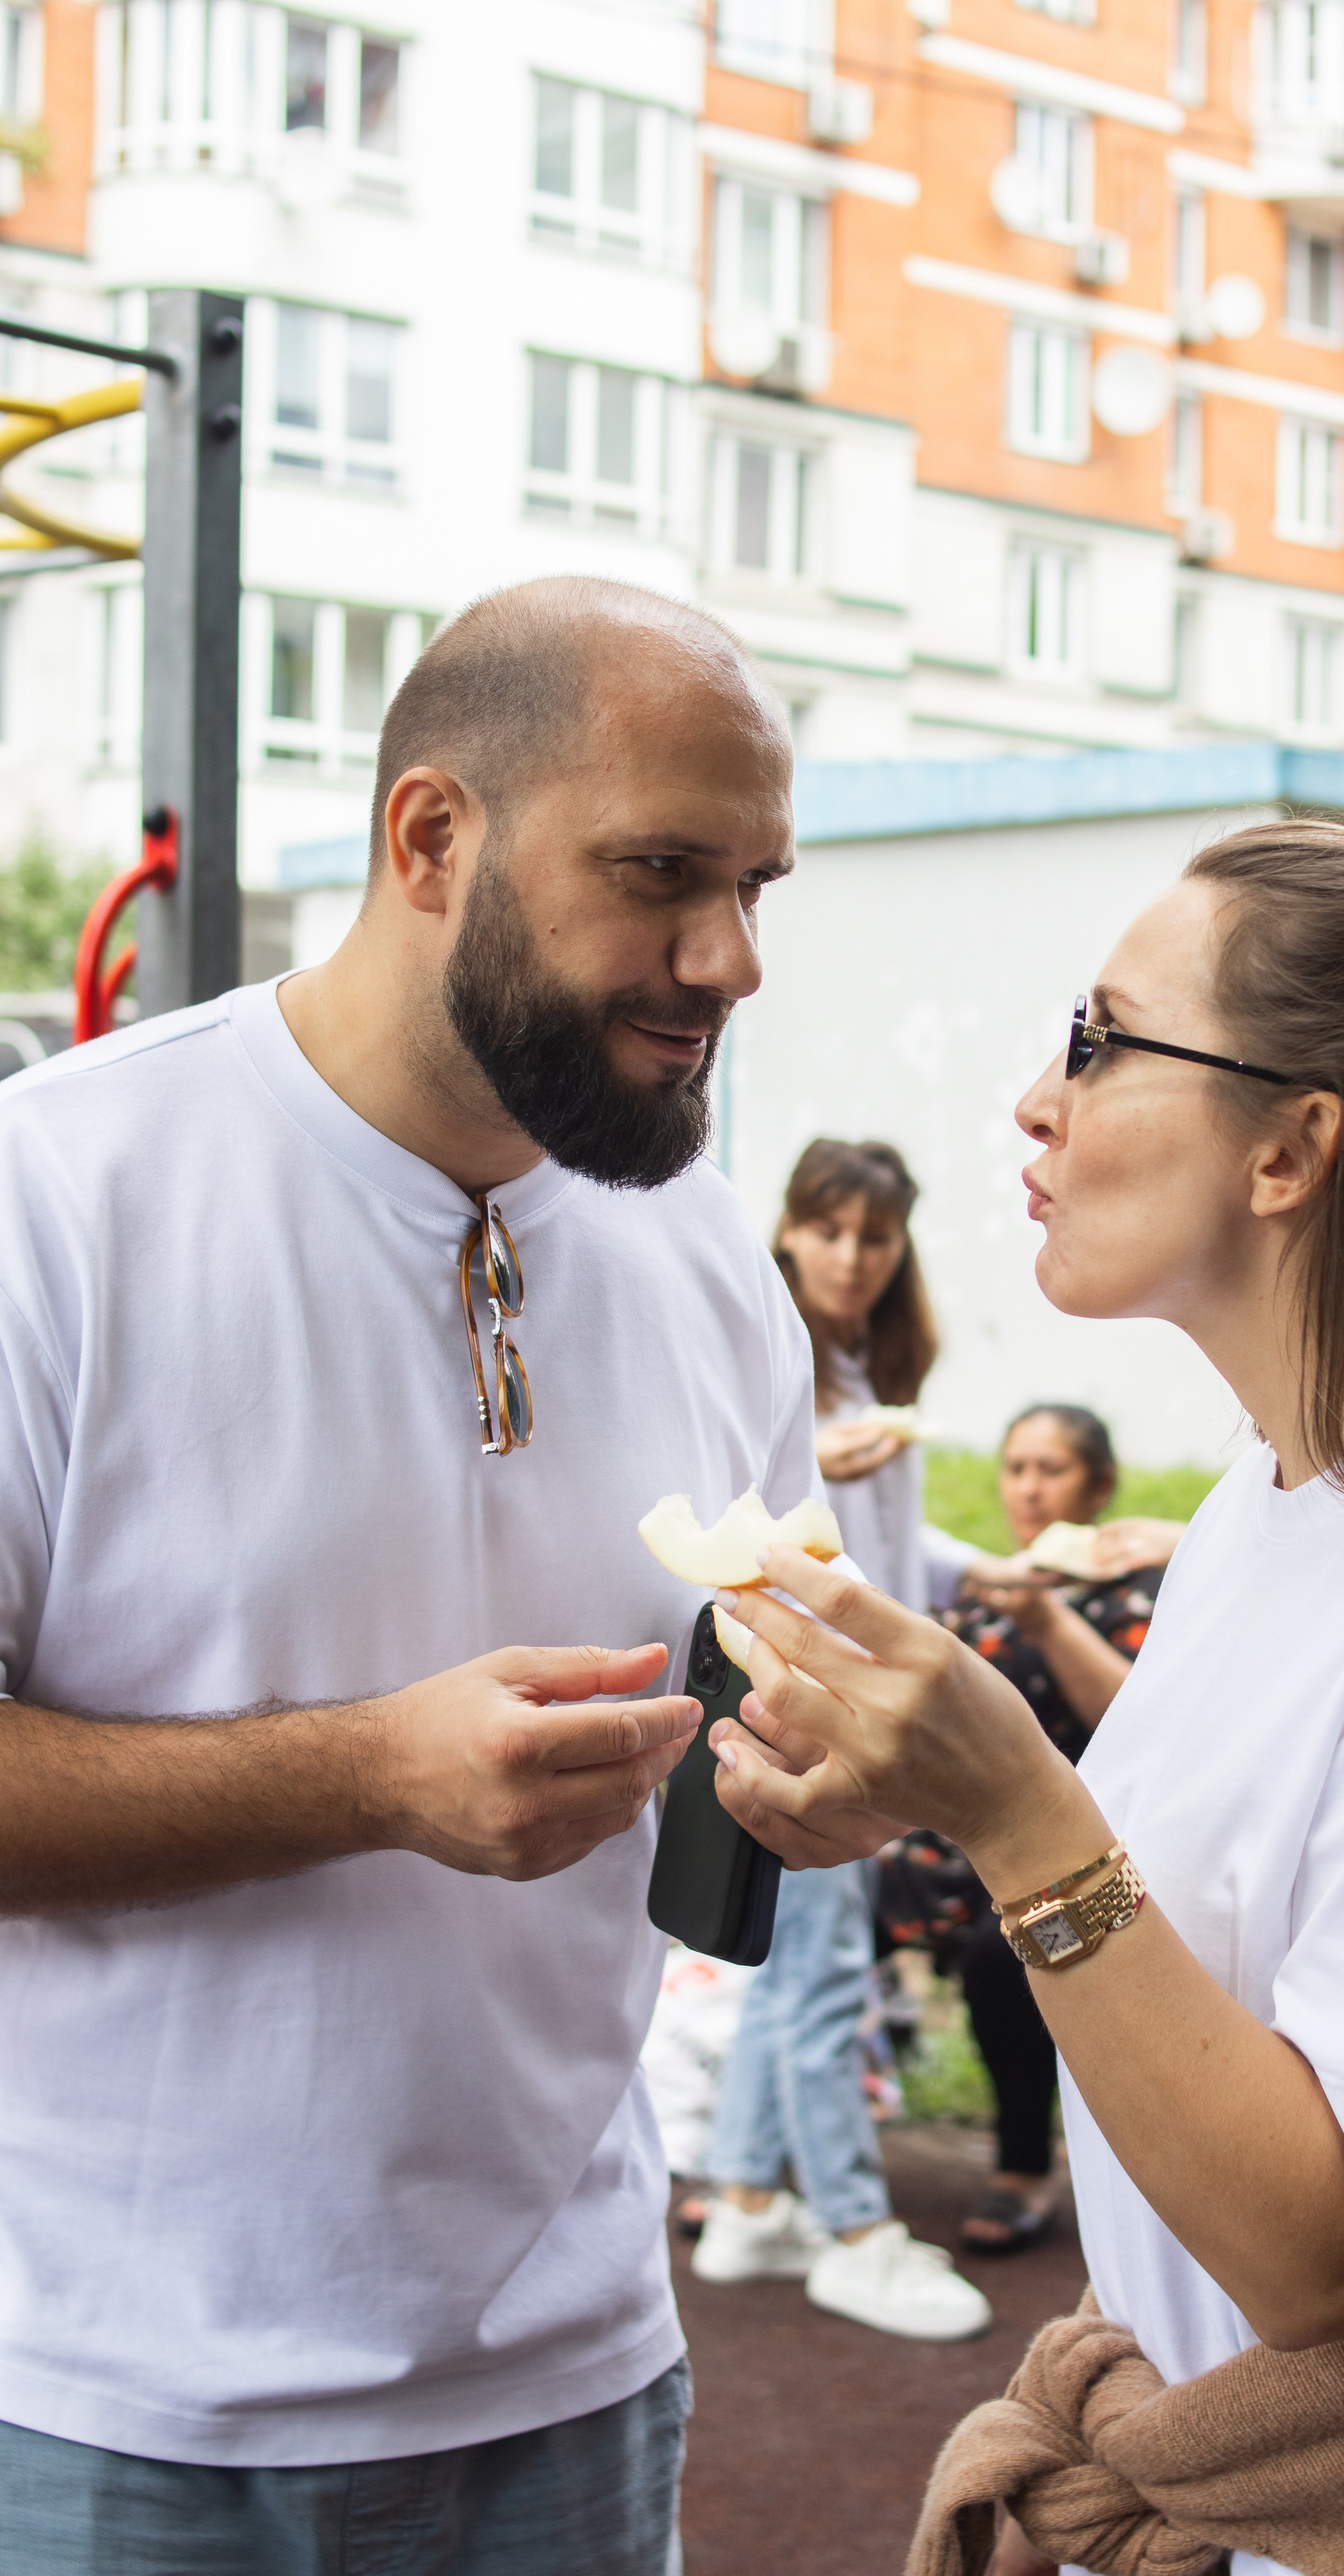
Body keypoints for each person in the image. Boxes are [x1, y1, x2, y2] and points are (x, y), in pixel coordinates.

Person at [710, 823, 1344, 2575]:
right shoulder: (1276, 1497)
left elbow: (1320, 2248)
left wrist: (1017, 1809)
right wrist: (926, 1789)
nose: (1036, 1102)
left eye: (1098, 1041)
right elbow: (1201, 1961)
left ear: (1291, 1149)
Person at [0, 576, 821, 2573]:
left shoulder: (709, 1253)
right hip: (116, 2411)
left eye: (754, 887)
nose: (728, 956)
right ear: (432, 837)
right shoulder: (57, 1197)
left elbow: (765, 1722)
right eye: (660, 873)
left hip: (582, 2380)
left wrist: (825, 1764)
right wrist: (368, 1773)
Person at [692, 1139, 991, 2341]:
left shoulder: (871, 1370)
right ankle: (856, 2231)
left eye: (876, 1236)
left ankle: (747, 2200)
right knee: (821, 1970)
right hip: (805, 1697)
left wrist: (994, 1573)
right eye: (829, 1231)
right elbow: (749, 1534)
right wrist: (824, 1462)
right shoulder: (770, 1355)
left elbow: (890, 1551)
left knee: (801, 1960)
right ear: (789, 1230)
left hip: (850, 1687)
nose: (852, 1258)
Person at [941, 1405, 1170, 2255]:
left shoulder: (1143, 1595)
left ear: (1099, 1486)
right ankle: (776, 2168)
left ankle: (1022, 2168)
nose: (1029, 1490)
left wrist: (1046, 1620)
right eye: (1016, 1469)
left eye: (1052, 1470)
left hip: (1087, 1856)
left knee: (996, 1954)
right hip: (951, 1853)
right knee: (819, 1914)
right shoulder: (978, 1593)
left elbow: (1137, 1724)